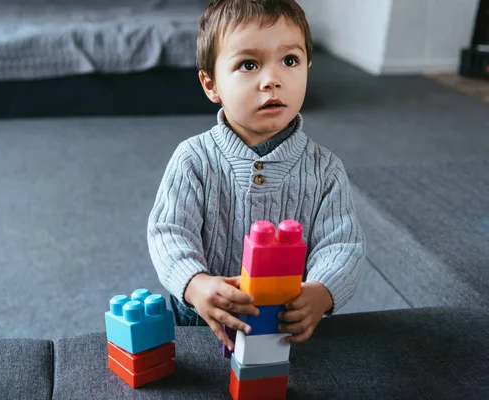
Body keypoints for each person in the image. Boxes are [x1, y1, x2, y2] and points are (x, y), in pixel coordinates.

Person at [147, 0, 365, 351]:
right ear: (211, 84)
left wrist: (321, 292)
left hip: (284, 321)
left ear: (308, 66)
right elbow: (168, 232)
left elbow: (342, 246)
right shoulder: (193, 159)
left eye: (290, 61)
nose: (272, 80)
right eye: (248, 64)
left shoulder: (325, 169)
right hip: (198, 317)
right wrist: (195, 283)